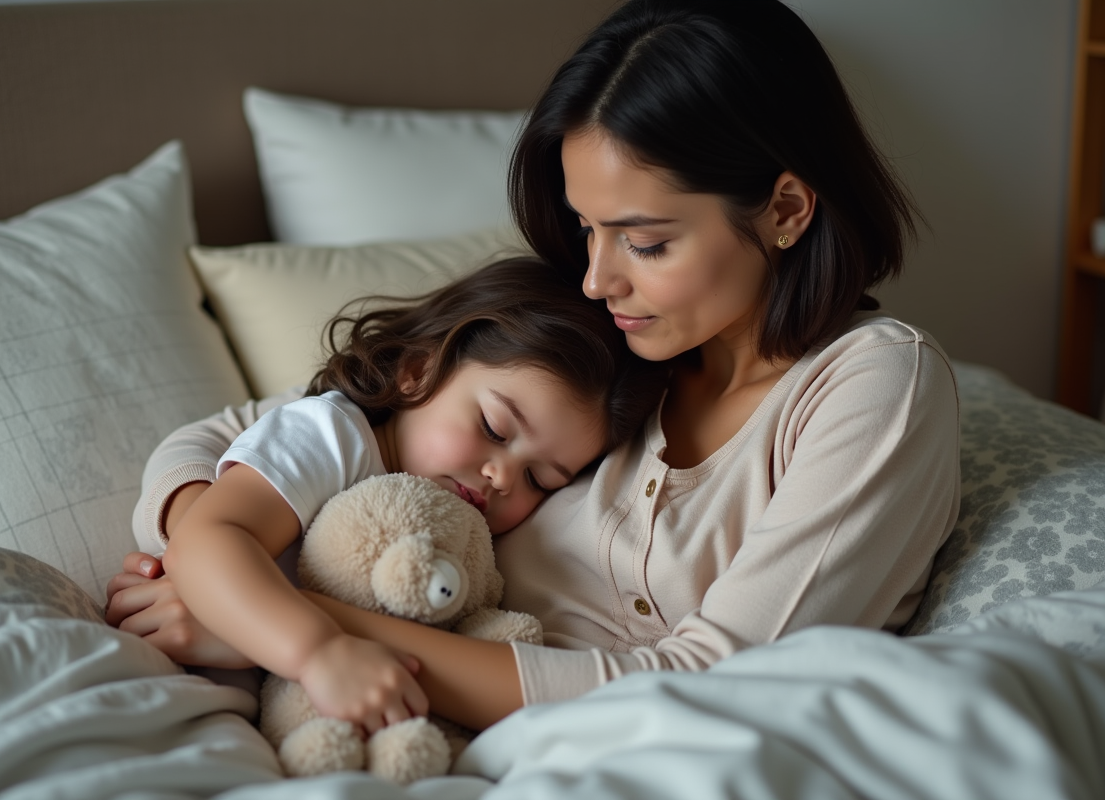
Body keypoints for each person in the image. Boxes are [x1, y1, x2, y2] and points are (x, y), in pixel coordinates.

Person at [107, 0, 960, 735]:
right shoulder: (610, 340)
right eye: (588, 229)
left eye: (647, 240)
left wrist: (274, 618)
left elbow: (719, 685)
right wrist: (212, 548)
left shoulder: (871, 387)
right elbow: (242, 432)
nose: (598, 276)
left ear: (783, 209)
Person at [113, 255, 667, 735]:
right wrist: (319, 651)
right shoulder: (330, 436)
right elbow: (208, 540)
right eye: (495, 429)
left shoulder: (459, 527)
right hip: (204, 676)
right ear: (417, 370)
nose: (502, 476)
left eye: (539, 479)